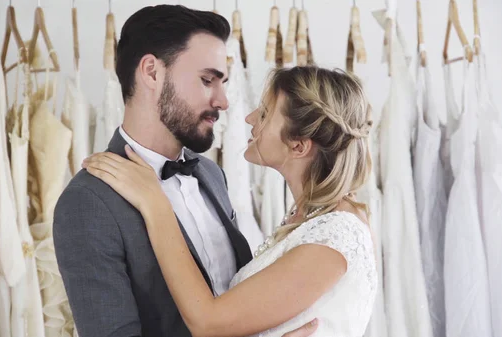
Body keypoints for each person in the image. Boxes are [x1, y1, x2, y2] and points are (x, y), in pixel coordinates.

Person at [53, 5, 318, 337]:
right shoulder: (88, 202)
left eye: (223, 83)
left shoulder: (209, 174)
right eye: (207, 80)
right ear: (151, 72)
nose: (223, 101)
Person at [82, 62, 379, 336]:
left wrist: (156, 206)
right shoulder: (311, 219)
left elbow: (208, 321)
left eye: (264, 114)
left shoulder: (334, 237)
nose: (249, 118)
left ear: (299, 146)